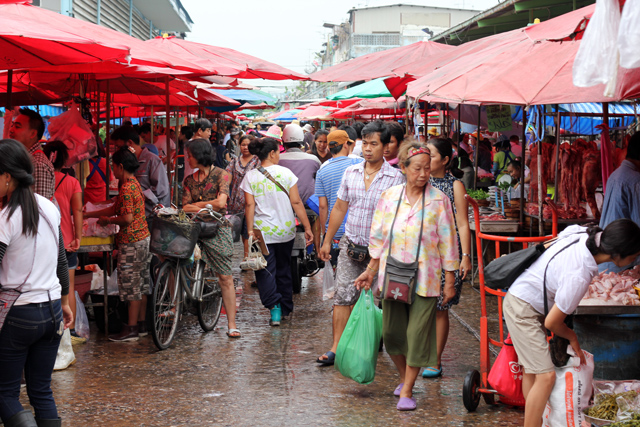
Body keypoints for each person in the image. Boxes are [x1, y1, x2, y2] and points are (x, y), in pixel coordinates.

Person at [354, 140, 459, 411]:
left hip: (427, 277)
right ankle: (404, 377)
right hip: (393, 276)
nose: (423, 174)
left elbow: (448, 242)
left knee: (416, 333)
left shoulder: (439, 200)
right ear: (403, 168)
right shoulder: (390, 197)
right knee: (391, 334)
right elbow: (377, 238)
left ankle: (408, 390)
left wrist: (450, 280)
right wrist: (369, 270)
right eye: (417, 169)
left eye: (427, 168)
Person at [503, 220, 640, 427]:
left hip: (526, 297)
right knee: (546, 376)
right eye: (635, 254)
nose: (636, 258)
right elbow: (552, 322)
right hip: (523, 308)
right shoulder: (580, 274)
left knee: (533, 370)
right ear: (618, 254)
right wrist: (572, 336)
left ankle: (536, 421)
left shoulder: (583, 233)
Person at [316, 120, 405, 365]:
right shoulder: (350, 172)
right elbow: (340, 207)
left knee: (382, 300)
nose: (367, 149)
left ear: (385, 147)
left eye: (373, 144)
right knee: (343, 296)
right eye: (364, 143)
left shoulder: (396, 179)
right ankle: (336, 347)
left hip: (384, 252)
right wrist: (326, 240)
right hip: (351, 244)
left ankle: (377, 342)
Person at [0, 139, 72, 427]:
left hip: (18, 315)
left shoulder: (6, 219)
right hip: (52, 310)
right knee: (41, 391)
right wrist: (65, 302)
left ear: (7, 176)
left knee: (5, 393)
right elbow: (62, 262)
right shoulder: (48, 206)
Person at [241, 138, 313, 326]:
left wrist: (249, 231)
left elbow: (249, 205)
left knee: (265, 270)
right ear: (272, 153)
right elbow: (296, 202)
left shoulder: (251, 176)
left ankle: (274, 308)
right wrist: (307, 227)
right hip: (285, 230)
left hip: (262, 233)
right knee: (284, 269)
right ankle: (286, 306)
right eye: (278, 152)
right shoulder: (286, 173)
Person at [85, 147, 152, 342]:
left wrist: (109, 221)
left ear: (120, 166)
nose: (112, 170)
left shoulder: (127, 187)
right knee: (141, 285)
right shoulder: (133, 184)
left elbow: (127, 217)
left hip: (132, 241)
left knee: (131, 286)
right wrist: (90, 213)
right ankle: (141, 326)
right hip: (142, 239)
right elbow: (115, 206)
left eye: (113, 166)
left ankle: (130, 328)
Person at [422, 137, 472, 378]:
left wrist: (466, 256)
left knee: (441, 307)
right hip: (420, 252)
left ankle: (435, 359)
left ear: (444, 160)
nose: (425, 159)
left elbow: (463, 224)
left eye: (430, 155)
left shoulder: (455, 186)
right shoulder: (418, 182)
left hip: (447, 254)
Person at [183, 139, 240, 338]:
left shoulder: (222, 175)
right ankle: (174, 306)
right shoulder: (189, 180)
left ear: (198, 155)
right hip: (195, 228)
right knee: (172, 259)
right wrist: (209, 205)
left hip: (217, 229)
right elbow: (184, 207)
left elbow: (221, 202)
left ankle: (231, 324)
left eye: (189, 155)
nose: (187, 158)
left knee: (225, 276)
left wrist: (198, 205)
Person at [43, 141, 85, 344]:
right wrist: (78, 237)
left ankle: (50, 330)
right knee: (67, 288)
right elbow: (77, 210)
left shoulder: (40, 180)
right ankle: (72, 331)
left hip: (45, 242)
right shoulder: (72, 182)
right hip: (67, 242)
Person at [315, 130, 362, 266]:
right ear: (346, 145)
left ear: (329, 148)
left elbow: (323, 206)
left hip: (335, 232)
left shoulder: (322, 170)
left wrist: (326, 235)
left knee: (339, 274)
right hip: (358, 230)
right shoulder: (360, 163)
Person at [110, 126, 170, 224]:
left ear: (129, 143)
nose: (118, 151)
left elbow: (161, 190)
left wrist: (134, 196)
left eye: (119, 147)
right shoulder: (127, 162)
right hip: (134, 217)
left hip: (153, 217)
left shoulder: (152, 160)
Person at [599, 132, 640, 274]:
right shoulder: (636, 181)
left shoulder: (616, 174)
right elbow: (638, 224)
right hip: (623, 264)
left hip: (608, 258)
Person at [226, 134, 260, 261]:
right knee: (240, 229)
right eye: (243, 144)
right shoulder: (234, 161)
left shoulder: (258, 161)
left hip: (253, 201)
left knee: (248, 229)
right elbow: (227, 177)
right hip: (236, 201)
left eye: (248, 145)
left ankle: (247, 257)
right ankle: (247, 255)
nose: (245, 147)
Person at [8, 108, 55, 200]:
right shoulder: (25, 159)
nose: (11, 130)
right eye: (12, 125)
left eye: (17, 127)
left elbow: (38, 207)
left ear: (33, 133)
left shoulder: (37, 164)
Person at [278, 124, 322, 205]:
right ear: (301, 141)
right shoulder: (313, 160)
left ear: (283, 142)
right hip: (309, 204)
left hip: (283, 204)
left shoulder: (277, 160)